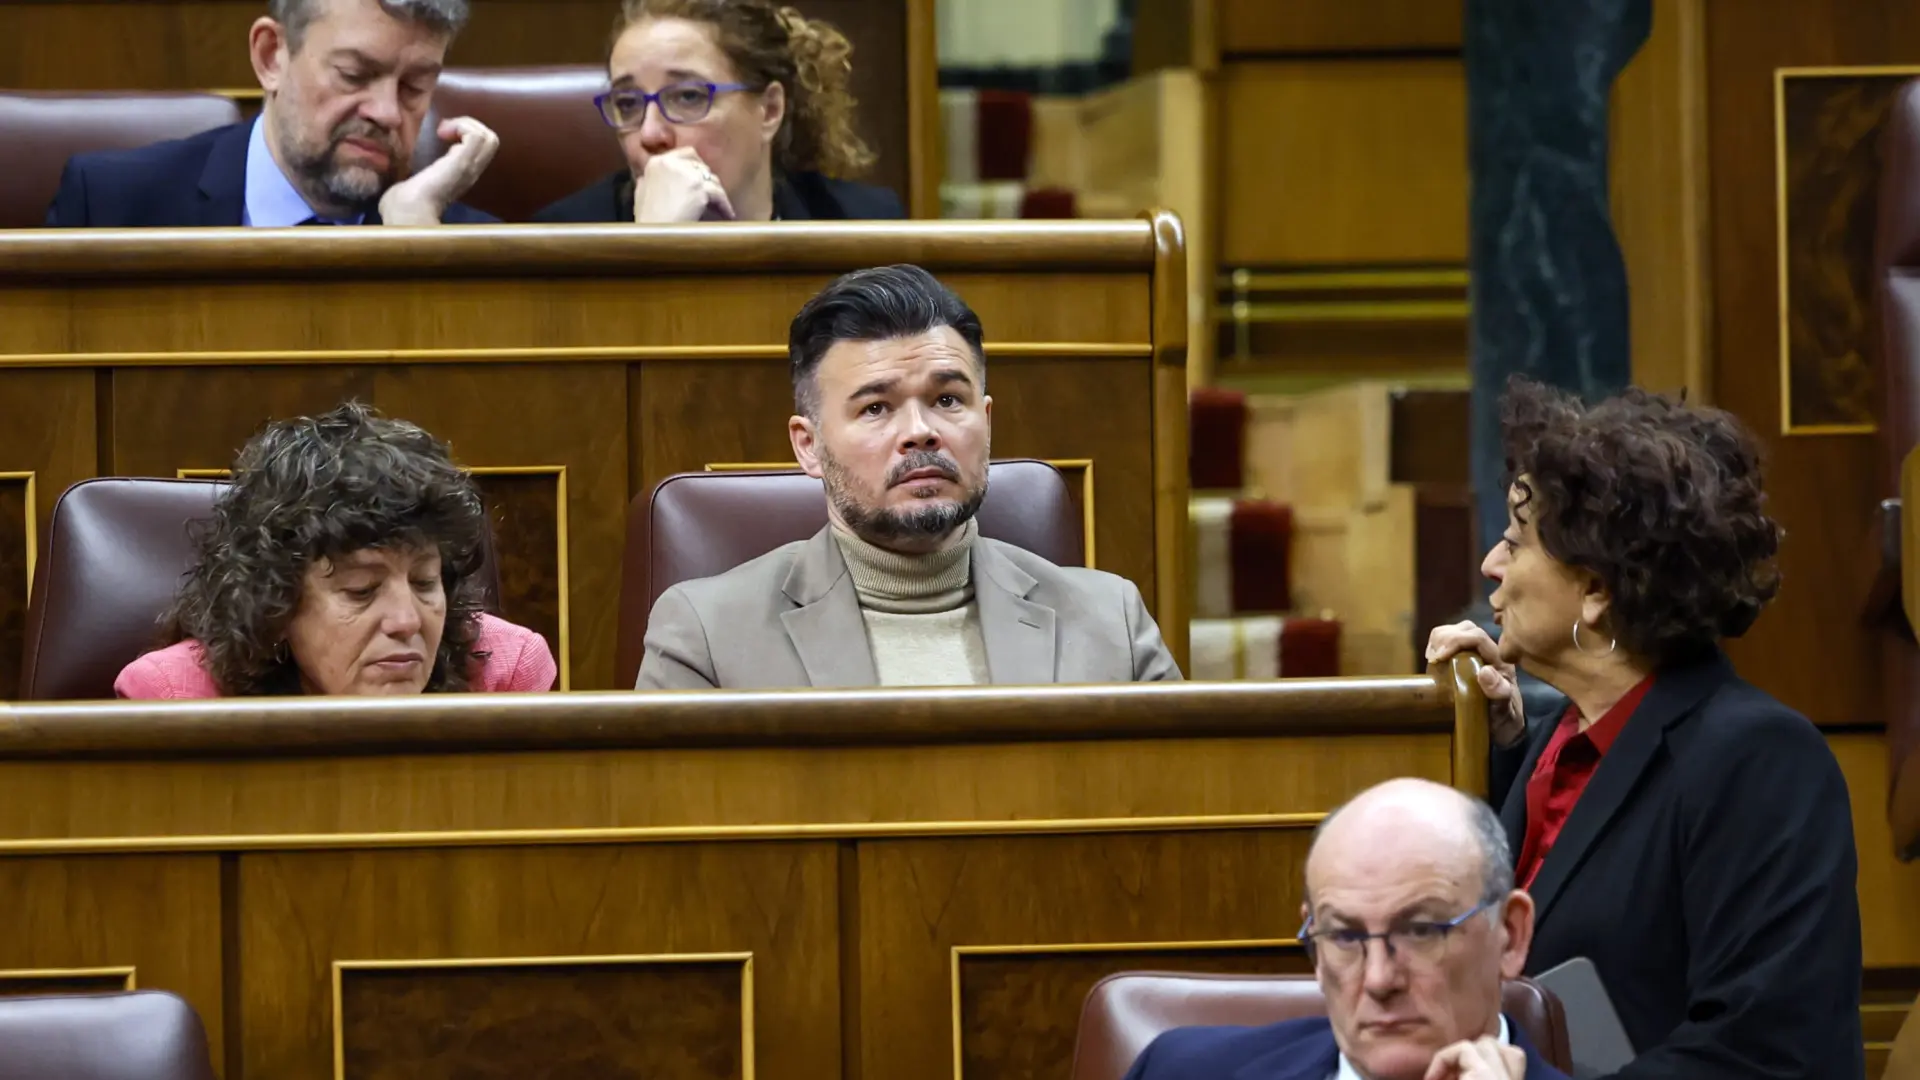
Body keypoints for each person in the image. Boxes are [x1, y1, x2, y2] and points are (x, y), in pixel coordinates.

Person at [1426, 378, 1863, 1079]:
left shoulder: (1760, 761)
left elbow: (1768, 1051)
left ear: (1596, 591)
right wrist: (1498, 743)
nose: (1491, 566)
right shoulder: (1548, 743)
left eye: (1515, 543)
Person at [636, 264, 1180, 689]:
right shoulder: (706, 634)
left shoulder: (1113, 623)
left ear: (985, 423)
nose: (920, 432)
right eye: (876, 408)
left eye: (947, 400)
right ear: (809, 446)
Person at [1125, 778, 1568, 1080]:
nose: (1379, 980)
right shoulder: (1181, 1070)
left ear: (1509, 935)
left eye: (1421, 931)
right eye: (1344, 937)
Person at [116, 402, 556, 698]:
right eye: (361, 590)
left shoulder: (504, 676)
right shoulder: (176, 699)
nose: (406, 622)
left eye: (425, 583)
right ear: (276, 603)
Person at [45, 0, 499, 227]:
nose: (386, 113)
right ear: (271, 57)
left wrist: (417, 257)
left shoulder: (463, 245)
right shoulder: (110, 206)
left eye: (414, 87)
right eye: (354, 74)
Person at [532, 0, 903, 224]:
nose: (649, 134)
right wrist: (653, 247)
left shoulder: (861, 225)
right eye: (628, 104)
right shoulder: (563, 237)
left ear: (770, 110)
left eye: (688, 97)